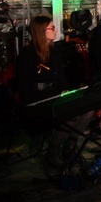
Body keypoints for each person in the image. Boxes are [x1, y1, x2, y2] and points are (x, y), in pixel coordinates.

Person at [15, 15, 93, 169]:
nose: (55, 30)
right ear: (41, 32)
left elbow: (60, 78)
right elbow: (26, 87)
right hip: (37, 102)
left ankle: (69, 146)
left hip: (54, 96)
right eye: (52, 28)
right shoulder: (27, 55)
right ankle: (52, 151)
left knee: (88, 109)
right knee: (70, 116)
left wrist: (65, 91)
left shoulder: (54, 51)